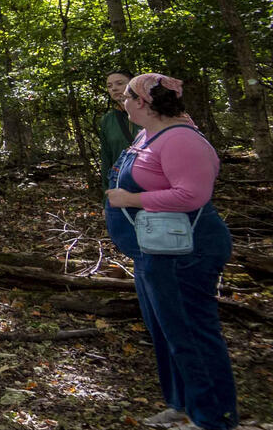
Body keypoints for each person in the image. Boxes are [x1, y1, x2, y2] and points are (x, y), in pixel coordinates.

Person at [104, 73, 238, 430]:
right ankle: (183, 405)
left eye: (128, 96)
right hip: (154, 251)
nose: (123, 102)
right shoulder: (149, 134)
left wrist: (130, 199)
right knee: (166, 331)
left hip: (186, 253)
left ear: (144, 102)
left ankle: (212, 417)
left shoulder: (180, 139)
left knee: (191, 331)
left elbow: (192, 195)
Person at [99, 70, 140, 184]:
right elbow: (107, 158)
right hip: (121, 182)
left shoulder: (151, 112)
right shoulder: (107, 120)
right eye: (109, 86)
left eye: (119, 83)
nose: (114, 88)